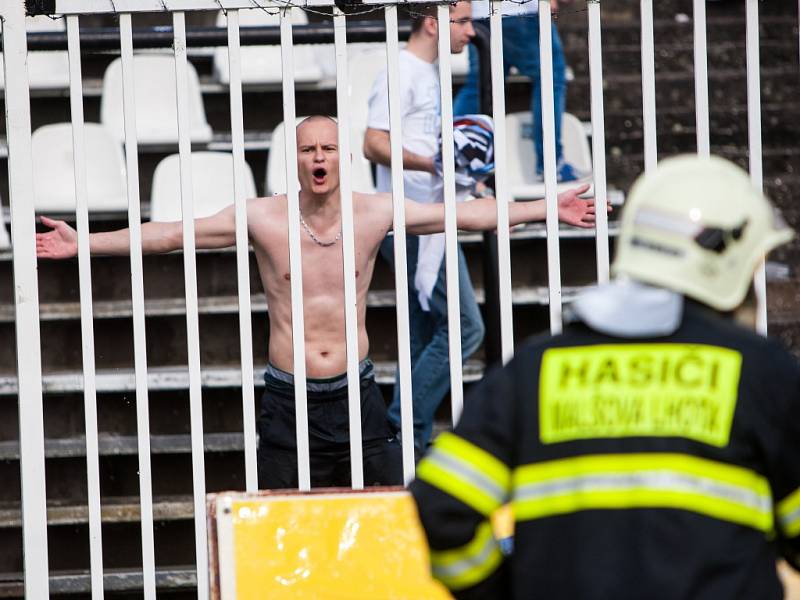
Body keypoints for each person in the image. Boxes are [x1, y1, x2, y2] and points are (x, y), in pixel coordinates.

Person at [36, 115, 599, 490]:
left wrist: (547, 207)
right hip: (288, 400)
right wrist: (82, 242)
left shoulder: (374, 212)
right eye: (308, 149)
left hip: (357, 394)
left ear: (342, 159)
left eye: (328, 147)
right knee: (283, 521)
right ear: (297, 161)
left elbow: (466, 214)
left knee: (385, 510)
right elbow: (171, 233)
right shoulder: (263, 217)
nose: (319, 157)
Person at [410, 154, 800, 599]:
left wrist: (498, 591)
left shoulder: (535, 370)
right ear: (726, 260)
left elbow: (442, 502)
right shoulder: (759, 372)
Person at [364, 2, 594, 456]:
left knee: (423, 336)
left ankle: (404, 443)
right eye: (464, 22)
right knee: (465, 329)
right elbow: (374, 143)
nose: (472, 32)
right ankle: (400, 428)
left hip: (424, 219)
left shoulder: (426, 72)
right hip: (411, 225)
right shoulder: (402, 71)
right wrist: (435, 162)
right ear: (433, 23)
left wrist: (472, 187)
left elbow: (433, 156)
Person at [453, 0, 582, 182]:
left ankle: (446, 154)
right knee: (551, 78)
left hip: (480, 12)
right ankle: (551, 164)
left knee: (479, 85)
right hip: (517, 9)